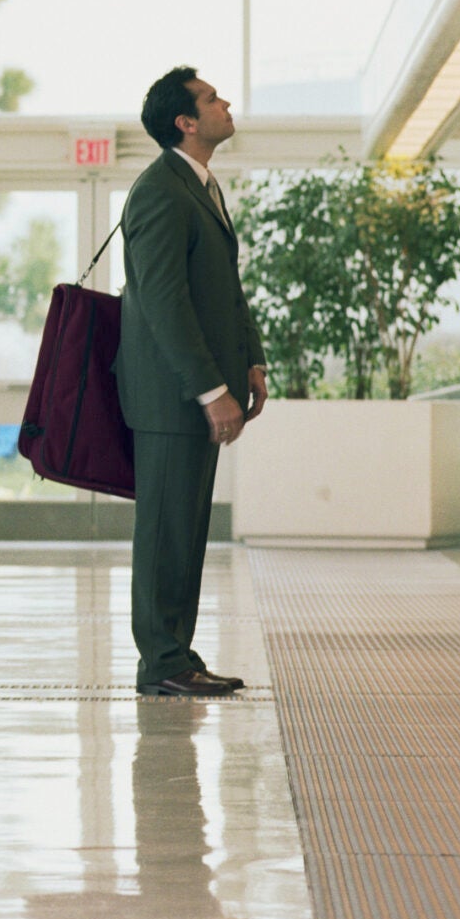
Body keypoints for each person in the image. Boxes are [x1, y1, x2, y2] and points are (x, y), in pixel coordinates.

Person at [117, 67, 267, 697]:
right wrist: (212, 389)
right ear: (185, 121)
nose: (224, 102)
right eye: (211, 98)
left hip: (192, 390)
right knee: (165, 530)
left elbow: (221, 290)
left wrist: (251, 358)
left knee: (186, 527)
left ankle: (178, 656)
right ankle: (162, 662)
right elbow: (164, 302)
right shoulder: (160, 190)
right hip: (171, 394)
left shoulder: (199, 186)